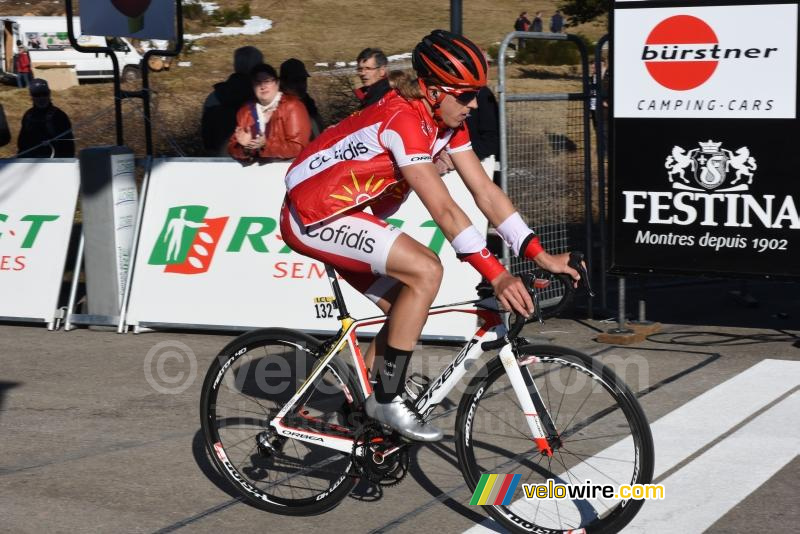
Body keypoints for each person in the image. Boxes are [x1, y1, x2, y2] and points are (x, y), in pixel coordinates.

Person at [280, 30, 579, 442]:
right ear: (435, 91)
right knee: (425, 270)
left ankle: (363, 412)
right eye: (466, 95)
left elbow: (486, 193)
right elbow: (445, 210)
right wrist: (497, 274)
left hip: (345, 209)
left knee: (406, 304)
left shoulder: (447, 122)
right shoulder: (403, 120)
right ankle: (386, 399)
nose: (475, 104)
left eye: (477, 94)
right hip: (313, 214)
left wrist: (540, 255)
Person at [228, 63, 312, 164]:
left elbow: (299, 148)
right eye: (258, 82)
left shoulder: (293, 106)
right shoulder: (245, 111)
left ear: (277, 83)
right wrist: (246, 148)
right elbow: (231, 148)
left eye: (267, 81)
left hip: (288, 171)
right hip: (257, 174)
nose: (262, 86)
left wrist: (266, 145)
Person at [201, 45, 264, 156]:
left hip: (218, 160)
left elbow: (206, 137)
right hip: (253, 159)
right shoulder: (262, 97)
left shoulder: (214, 96)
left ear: (236, 65)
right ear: (257, 67)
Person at [17, 79, 75, 158]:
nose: (41, 98)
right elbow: (22, 144)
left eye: (44, 94)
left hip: (54, 162)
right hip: (31, 162)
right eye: (37, 95)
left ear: (49, 94)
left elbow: (68, 146)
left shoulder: (59, 116)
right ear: (31, 96)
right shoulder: (28, 116)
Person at [280, 58, 324, 139]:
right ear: (283, 83)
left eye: (303, 80)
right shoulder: (278, 111)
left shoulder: (310, 106)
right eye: (295, 81)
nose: (301, 85)